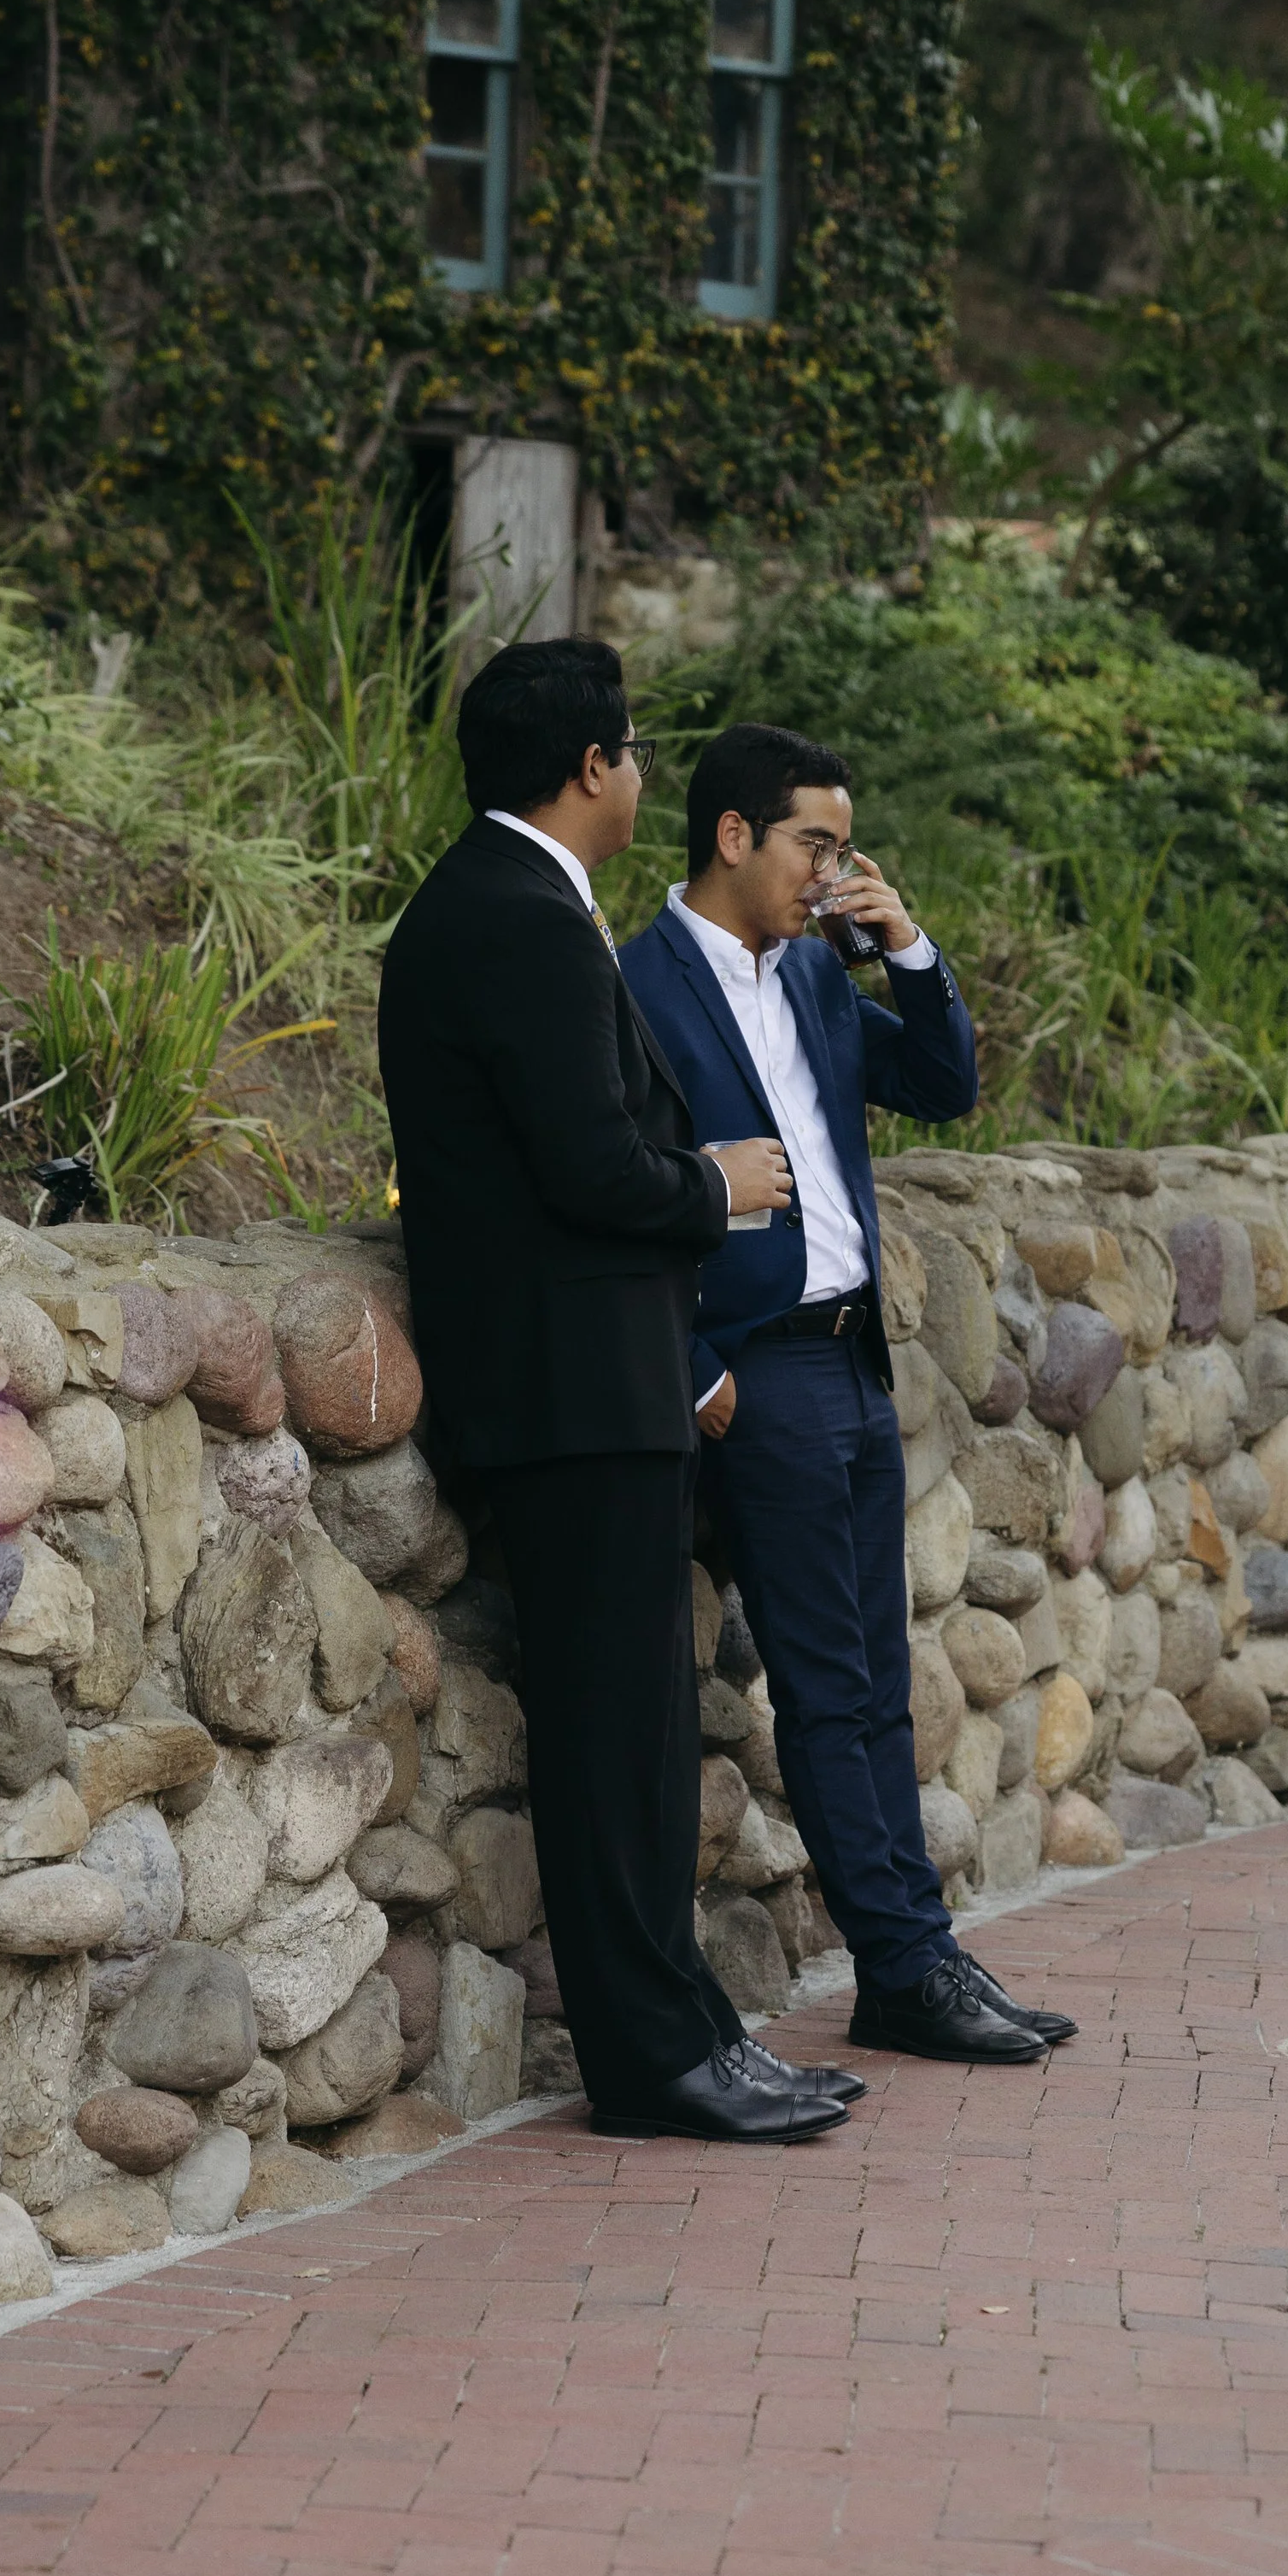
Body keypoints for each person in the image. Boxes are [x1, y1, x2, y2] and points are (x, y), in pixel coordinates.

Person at [378, 641, 858, 2144]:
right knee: (614, 1738)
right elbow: (583, 1166)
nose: (643, 772)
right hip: (572, 1391)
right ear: (593, 769)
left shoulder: (516, 901)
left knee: (641, 1728)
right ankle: (657, 2063)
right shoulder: (512, 918)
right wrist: (707, 1183)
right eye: (634, 750)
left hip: (599, 1386)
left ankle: (695, 2030)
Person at [619, 721, 1076, 2063]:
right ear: (734, 836)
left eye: (843, 845)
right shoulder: (636, 987)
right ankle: (902, 1962)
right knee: (828, 1686)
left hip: (855, 1358)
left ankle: (914, 1958)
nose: (833, 869)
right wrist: (692, 1365)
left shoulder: (819, 979)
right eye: (816, 842)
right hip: (757, 1377)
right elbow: (604, 1196)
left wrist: (908, 949)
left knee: (878, 1675)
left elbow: (943, 1083)